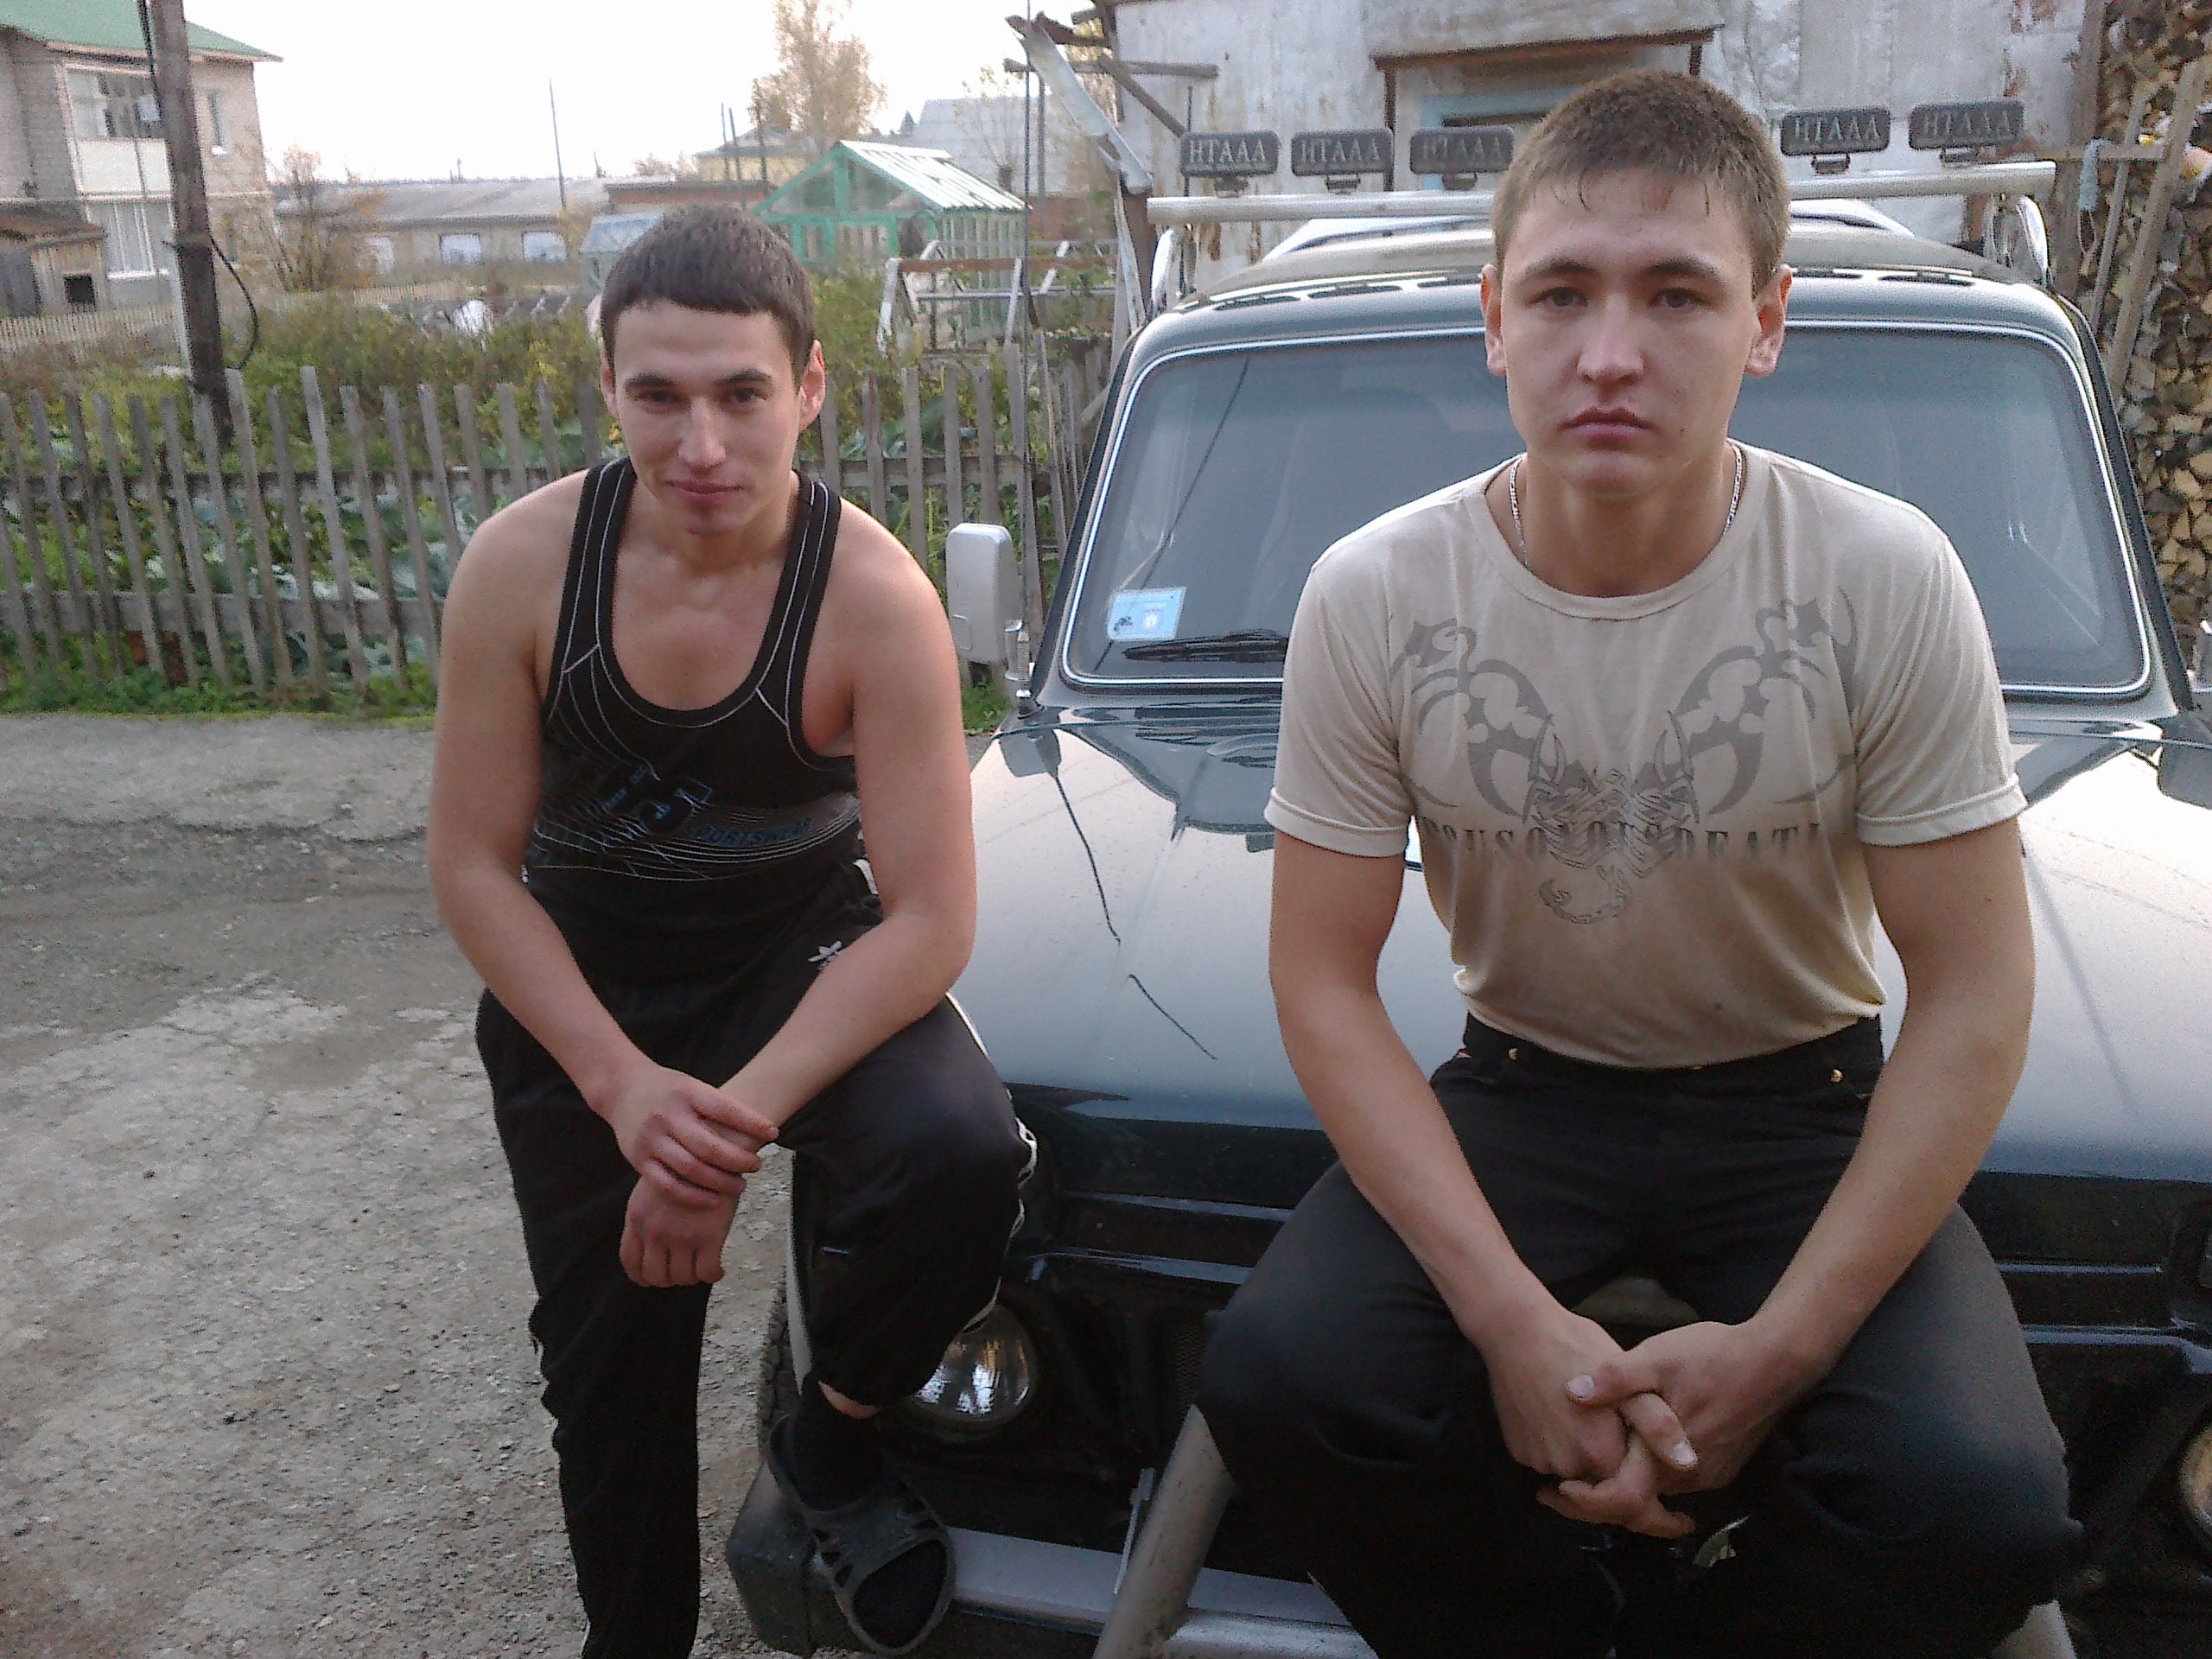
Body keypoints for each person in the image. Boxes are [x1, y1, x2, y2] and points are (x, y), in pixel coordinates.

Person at [1197, 70, 2077, 1659]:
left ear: (1767, 322)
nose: (1610, 352)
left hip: (1803, 1107)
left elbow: (1974, 990)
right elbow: (1319, 980)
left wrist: (1778, 1360)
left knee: (1977, 1502)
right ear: (1492, 320)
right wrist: (1509, 1324)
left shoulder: (1885, 578)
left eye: (1677, 294)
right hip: (1525, 1093)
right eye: (1561, 294)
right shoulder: (1375, 594)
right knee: (1286, 1385)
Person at [427, 207, 1028, 1659]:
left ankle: (833, 1439)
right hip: (592, 983)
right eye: (659, 396)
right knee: (613, 1372)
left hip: (791, 959)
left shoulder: (874, 600)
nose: (701, 444)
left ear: (809, 387)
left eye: (742, 394)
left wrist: (721, 1134)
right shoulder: (524, 568)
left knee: (958, 1156)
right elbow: (472, 868)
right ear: (609, 391)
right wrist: (623, 1089)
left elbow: (932, 920)